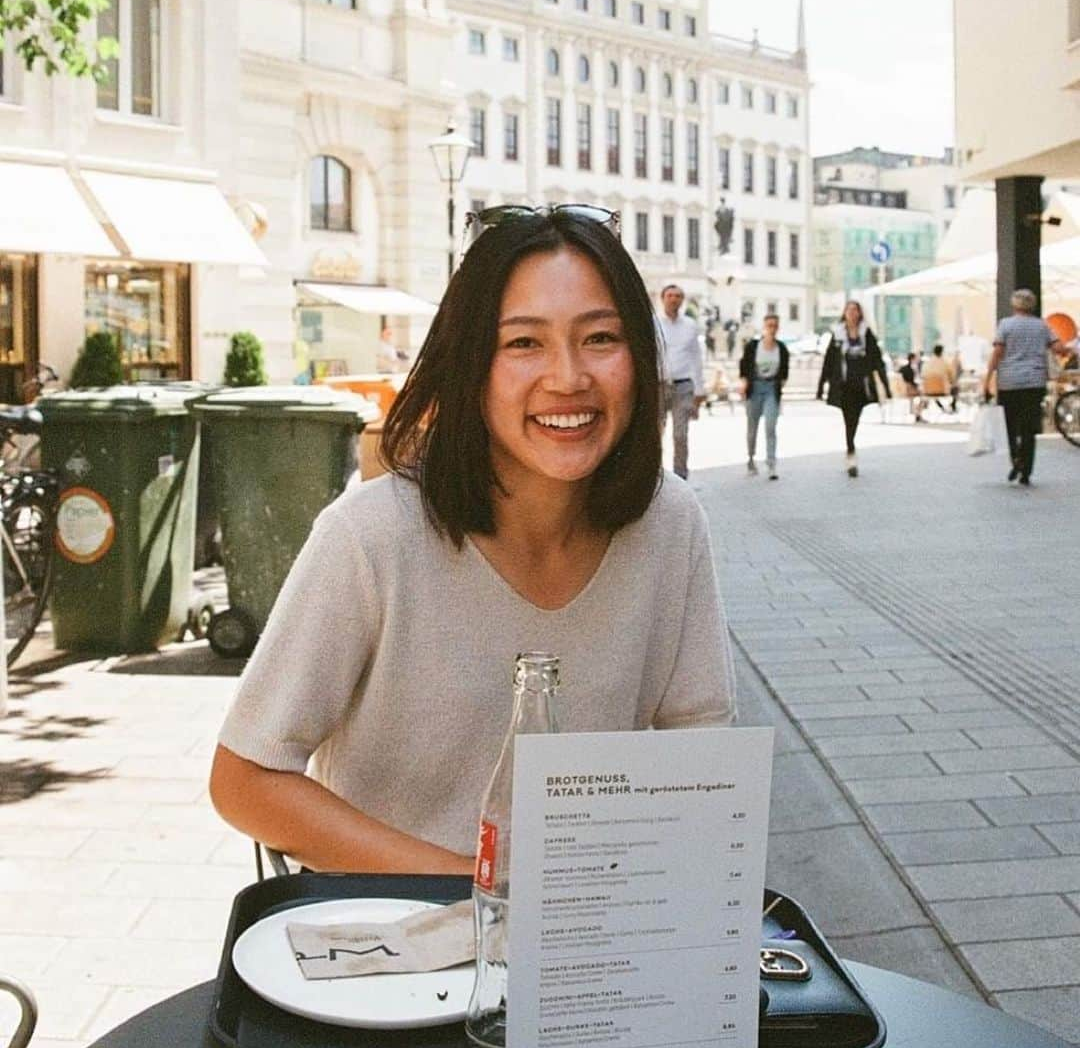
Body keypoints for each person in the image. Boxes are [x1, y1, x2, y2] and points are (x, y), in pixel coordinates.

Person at [209, 206, 736, 872]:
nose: (568, 377)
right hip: (388, 943)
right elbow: (245, 779)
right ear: (471, 367)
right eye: (523, 344)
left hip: (592, 943)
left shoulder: (671, 523)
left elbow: (702, 748)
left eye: (600, 338)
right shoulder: (371, 537)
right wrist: (475, 888)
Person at [982, 288, 1066, 485]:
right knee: (1029, 427)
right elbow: (1058, 348)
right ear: (1032, 305)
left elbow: (997, 353)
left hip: (1009, 383)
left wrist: (987, 379)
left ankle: (1016, 460)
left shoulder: (1005, 325)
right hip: (1034, 382)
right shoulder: (1042, 326)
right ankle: (1026, 470)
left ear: (1014, 304)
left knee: (1011, 425)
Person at [816, 299, 890, 478]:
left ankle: (850, 447)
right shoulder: (838, 334)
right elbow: (829, 361)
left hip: (861, 383)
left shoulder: (866, 333)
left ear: (859, 313)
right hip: (843, 384)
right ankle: (850, 449)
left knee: (854, 418)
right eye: (848, 310)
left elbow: (877, 360)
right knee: (847, 417)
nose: (851, 313)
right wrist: (821, 386)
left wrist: (885, 385)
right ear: (844, 313)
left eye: (855, 310)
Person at [656, 283, 705, 480]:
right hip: (659, 385)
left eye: (677, 296)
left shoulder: (690, 326)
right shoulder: (653, 323)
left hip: (683, 386)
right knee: (656, 434)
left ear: (682, 300)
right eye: (670, 295)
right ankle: (655, 476)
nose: (673, 299)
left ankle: (680, 476)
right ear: (663, 299)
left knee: (680, 435)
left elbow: (696, 357)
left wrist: (700, 388)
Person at [739, 313, 789, 479]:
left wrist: (778, 387)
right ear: (764, 327)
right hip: (755, 388)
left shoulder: (781, 348)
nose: (772, 329)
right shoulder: (753, 346)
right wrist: (745, 383)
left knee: (770, 426)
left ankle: (771, 464)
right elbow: (744, 366)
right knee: (752, 427)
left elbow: (784, 373)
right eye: (769, 325)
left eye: (775, 325)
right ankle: (751, 459)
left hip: (771, 389)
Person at [920, 345, 952, 415]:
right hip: (942, 390)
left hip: (927, 391)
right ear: (942, 352)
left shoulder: (927, 363)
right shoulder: (945, 363)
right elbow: (951, 375)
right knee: (955, 389)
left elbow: (922, 376)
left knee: (932, 393)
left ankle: (942, 408)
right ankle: (952, 407)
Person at [898, 351, 922, 421]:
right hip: (910, 390)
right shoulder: (911, 370)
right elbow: (912, 382)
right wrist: (918, 386)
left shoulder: (902, 368)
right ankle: (918, 414)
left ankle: (916, 412)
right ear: (912, 359)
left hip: (902, 390)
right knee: (924, 396)